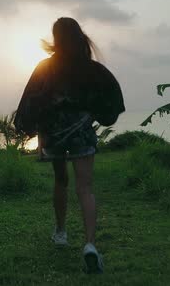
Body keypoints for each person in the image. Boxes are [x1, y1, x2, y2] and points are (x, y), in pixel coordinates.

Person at [14, 17, 125, 274]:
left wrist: (32, 129)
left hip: (54, 135)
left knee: (60, 180)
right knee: (85, 188)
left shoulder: (45, 68)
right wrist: (94, 115)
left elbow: (31, 102)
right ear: (78, 36)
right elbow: (112, 97)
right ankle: (90, 245)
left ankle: (61, 232)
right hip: (81, 134)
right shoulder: (92, 70)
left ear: (57, 39)